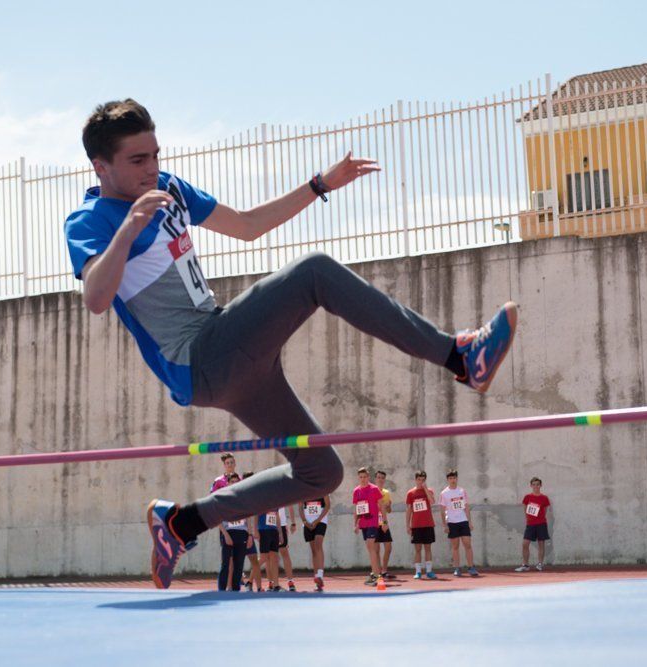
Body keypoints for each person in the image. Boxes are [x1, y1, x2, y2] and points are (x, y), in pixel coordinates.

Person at [63, 99, 520, 588]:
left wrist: (320, 184)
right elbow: (95, 297)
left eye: (155, 155)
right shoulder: (89, 221)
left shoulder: (168, 187)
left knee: (320, 472)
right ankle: (459, 355)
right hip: (201, 358)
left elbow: (247, 226)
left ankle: (184, 522)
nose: (152, 168)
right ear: (101, 166)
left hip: (232, 359)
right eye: (138, 161)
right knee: (314, 273)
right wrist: (129, 226)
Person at [440, 469, 478, 577]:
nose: (452, 480)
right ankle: (457, 568)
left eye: (454, 478)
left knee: (467, 544)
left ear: (457, 478)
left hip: (463, 521)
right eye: (450, 478)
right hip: (452, 522)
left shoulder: (462, 491)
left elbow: (466, 507)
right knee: (455, 546)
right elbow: (442, 510)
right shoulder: (444, 493)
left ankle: (471, 567)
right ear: (447, 479)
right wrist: (445, 524)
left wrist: (469, 522)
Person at [352, 466, 384, 585]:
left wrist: (384, 522)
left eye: (365, 477)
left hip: (373, 522)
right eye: (361, 477)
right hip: (363, 524)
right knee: (372, 549)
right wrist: (355, 524)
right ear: (358, 478)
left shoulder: (374, 489)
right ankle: (376, 574)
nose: (363, 479)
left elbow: (382, 506)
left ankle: (376, 576)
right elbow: (356, 509)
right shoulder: (356, 491)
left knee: (371, 547)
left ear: (368, 477)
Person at [217, 473, 247, 591]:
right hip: (228, 534)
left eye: (236, 481)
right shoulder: (223, 498)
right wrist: (225, 534)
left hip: (242, 534)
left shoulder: (243, 499)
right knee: (225, 565)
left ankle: (236, 591)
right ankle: (221, 591)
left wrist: (249, 535)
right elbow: (217, 519)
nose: (234, 484)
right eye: (232, 482)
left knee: (239, 565)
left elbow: (248, 517)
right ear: (228, 483)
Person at [406, 470, 437, 580]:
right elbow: (409, 510)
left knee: (428, 548)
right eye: (419, 479)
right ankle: (418, 571)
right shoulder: (411, 493)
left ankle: (429, 571)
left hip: (428, 524)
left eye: (423, 480)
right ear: (415, 480)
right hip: (416, 525)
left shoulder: (429, 491)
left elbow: (432, 502)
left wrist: (425, 489)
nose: (421, 481)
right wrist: (407, 525)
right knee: (418, 549)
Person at [516, 477, 552, 572]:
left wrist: (539, 518)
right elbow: (525, 509)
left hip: (541, 524)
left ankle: (540, 564)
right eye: (534, 484)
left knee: (541, 544)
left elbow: (545, 511)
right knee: (525, 544)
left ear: (540, 485)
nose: (536, 486)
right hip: (530, 524)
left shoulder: (544, 498)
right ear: (531, 485)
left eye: (538, 484)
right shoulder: (527, 497)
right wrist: (529, 518)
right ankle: (525, 565)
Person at [300, 495, 331, 591]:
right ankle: (317, 578)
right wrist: (304, 521)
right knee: (313, 550)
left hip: (320, 521)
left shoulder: (323, 488)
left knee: (318, 544)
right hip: (308, 522)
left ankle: (320, 575)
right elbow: (300, 507)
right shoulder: (304, 490)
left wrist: (318, 520)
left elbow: (327, 505)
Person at [374, 470, 395, 579]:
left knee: (388, 547)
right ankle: (377, 572)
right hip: (374, 523)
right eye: (379, 477)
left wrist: (389, 506)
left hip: (384, 522)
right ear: (375, 479)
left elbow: (389, 510)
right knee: (376, 550)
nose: (381, 479)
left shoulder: (386, 493)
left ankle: (384, 571)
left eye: (382, 477)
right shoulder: (372, 491)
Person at [257, 505, 282, 592]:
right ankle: (249, 580)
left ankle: (276, 585)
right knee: (264, 558)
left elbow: (277, 516)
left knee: (275, 558)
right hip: (263, 530)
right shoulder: (261, 499)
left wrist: (280, 533)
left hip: (273, 531)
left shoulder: (276, 501)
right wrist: (256, 531)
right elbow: (256, 514)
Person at [277, 505, 298, 591]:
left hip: (281, 525)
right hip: (269, 526)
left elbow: (290, 506)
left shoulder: (283, 492)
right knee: (269, 556)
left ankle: (290, 581)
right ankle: (272, 583)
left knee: (284, 552)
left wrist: (293, 523)